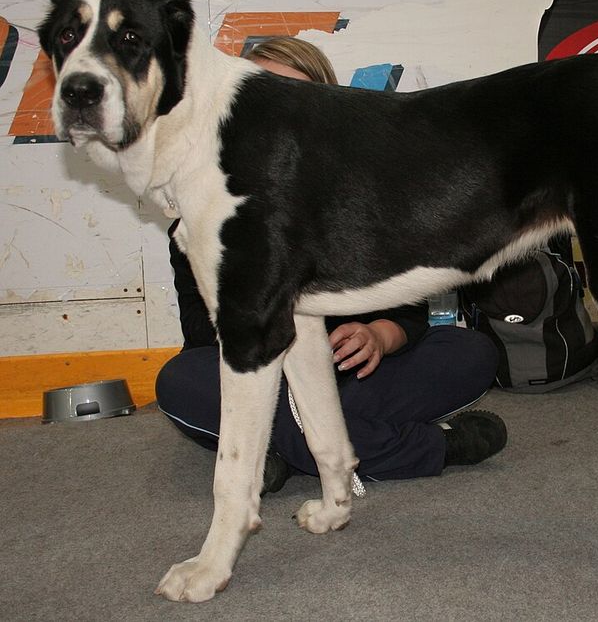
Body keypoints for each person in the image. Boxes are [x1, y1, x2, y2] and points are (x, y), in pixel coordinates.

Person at [155, 37, 506, 492]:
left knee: (471, 352)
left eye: (293, 100)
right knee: (182, 379)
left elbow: (410, 310)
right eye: (263, 96)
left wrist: (380, 334)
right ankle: (431, 448)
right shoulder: (203, 216)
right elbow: (203, 334)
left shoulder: (361, 202)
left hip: (359, 381)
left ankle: (281, 451)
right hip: (263, 386)